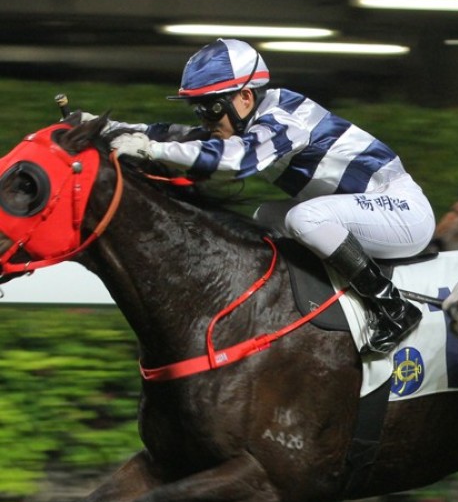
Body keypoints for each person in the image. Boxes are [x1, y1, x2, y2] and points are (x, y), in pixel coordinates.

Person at [107, 38, 435, 355]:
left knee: (303, 218)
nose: (205, 120)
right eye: (199, 109)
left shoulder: (284, 119)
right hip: (371, 211)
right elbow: (178, 135)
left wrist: (152, 150)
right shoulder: (254, 117)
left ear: (245, 97)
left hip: (403, 215)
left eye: (211, 108)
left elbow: (235, 158)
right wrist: (103, 128)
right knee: (267, 217)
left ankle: (392, 307)